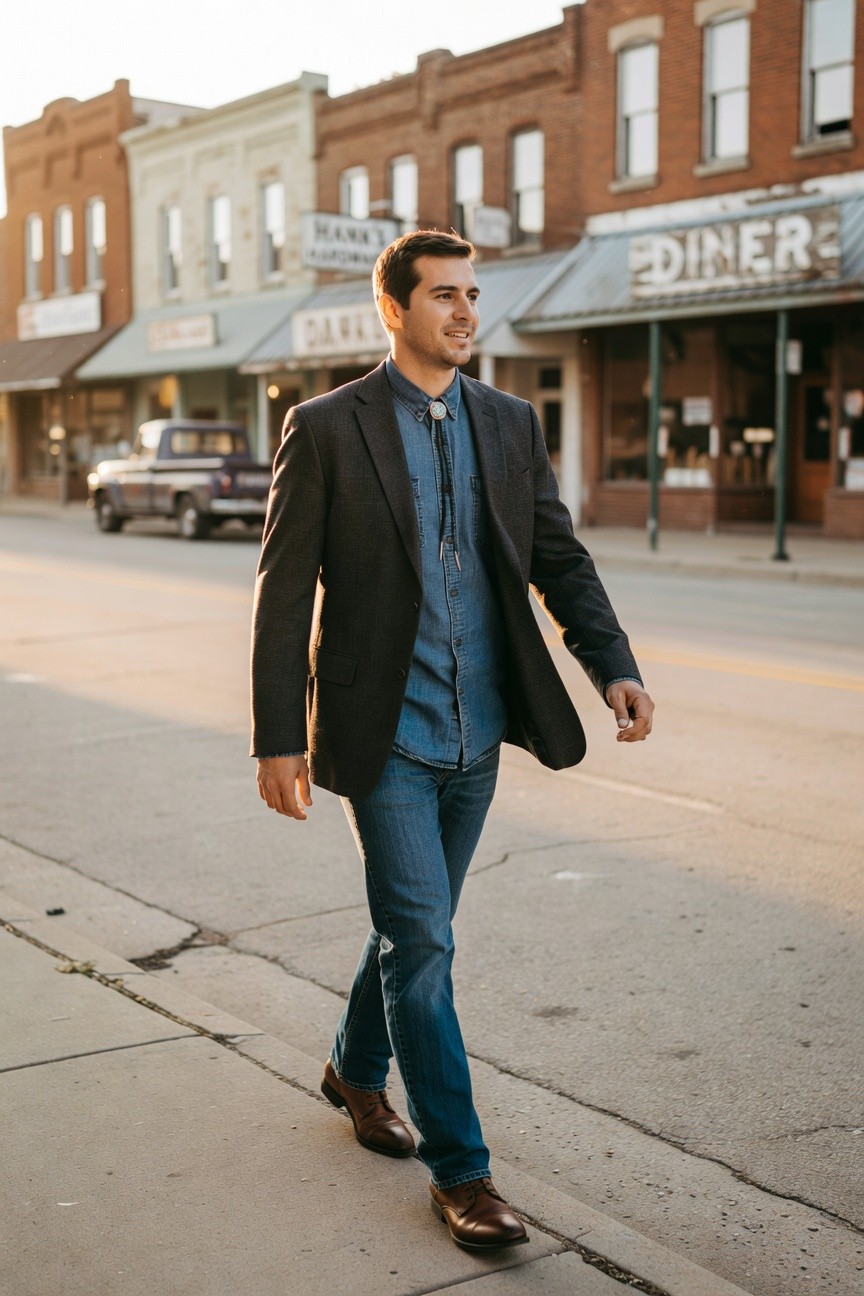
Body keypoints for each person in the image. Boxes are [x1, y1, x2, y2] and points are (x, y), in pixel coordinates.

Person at [251, 229, 654, 1251]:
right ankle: (465, 1176)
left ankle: (354, 1068)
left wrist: (614, 664)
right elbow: (285, 587)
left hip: (478, 738)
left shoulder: (511, 423)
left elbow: (558, 557)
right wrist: (275, 738)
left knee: (409, 935)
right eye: (444, 296)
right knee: (425, 942)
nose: (467, 312)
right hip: (380, 734)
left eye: (474, 294)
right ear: (395, 310)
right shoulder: (330, 426)